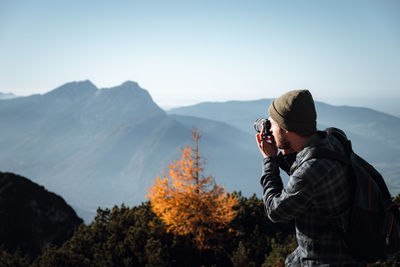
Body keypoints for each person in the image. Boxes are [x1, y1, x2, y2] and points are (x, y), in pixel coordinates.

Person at [255, 89, 361, 266]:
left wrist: (269, 161)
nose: (270, 129)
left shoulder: (311, 170)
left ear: (286, 128)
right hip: (345, 247)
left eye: (272, 125)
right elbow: (306, 175)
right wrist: (285, 151)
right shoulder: (334, 139)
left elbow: (275, 211)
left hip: (325, 259)